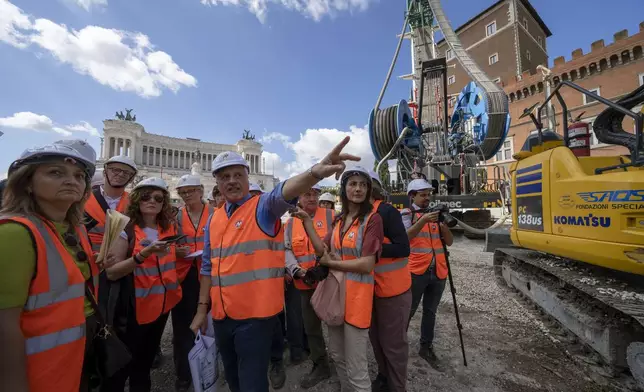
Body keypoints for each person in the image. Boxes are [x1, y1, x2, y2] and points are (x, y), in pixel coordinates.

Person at [190, 137, 360, 392]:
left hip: (255, 318)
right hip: (222, 316)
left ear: (247, 178)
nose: (232, 181)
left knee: (252, 383)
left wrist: (315, 171)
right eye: (225, 177)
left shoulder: (262, 207)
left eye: (238, 174)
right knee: (234, 378)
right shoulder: (214, 220)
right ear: (217, 182)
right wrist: (203, 310)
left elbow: (286, 190)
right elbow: (206, 268)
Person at [0, 140, 101, 392]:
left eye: (79, 176)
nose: (72, 181)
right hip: (38, 373)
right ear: (27, 183)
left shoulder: (74, 228)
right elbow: (4, 328)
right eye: (55, 173)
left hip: (73, 357)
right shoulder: (13, 232)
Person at [300, 165, 383, 392]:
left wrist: (332, 264)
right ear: (344, 189)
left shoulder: (372, 220)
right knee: (337, 354)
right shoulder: (338, 221)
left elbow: (367, 264)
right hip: (336, 297)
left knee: (357, 365)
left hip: (357, 300)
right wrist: (308, 222)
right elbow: (322, 250)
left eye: (363, 185)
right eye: (353, 184)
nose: (358, 189)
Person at [103, 177, 183, 392]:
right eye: (146, 196)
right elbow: (111, 272)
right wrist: (143, 255)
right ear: (137, 199)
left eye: (158, 198)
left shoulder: (168, 227)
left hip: (162, 306)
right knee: (123, 365)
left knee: (145, 363)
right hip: (133, 310)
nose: (152, 201)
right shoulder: (125, 229)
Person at [285, 184, 334, 388]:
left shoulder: (332, 216)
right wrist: (295, 270)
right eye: (307, 194)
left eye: (315, 194)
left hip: (330, 282)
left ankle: (343, 361)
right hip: (305, 283)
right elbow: (286, 249)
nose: (312, 197)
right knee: (312, 328)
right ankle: (320, 364)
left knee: (336, 323)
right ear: (299, 199)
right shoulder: (289, 223)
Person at [367, 171, 412, 392]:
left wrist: (373, 250)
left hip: (392, 291)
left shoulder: (385, 211)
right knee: (376, 339)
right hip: (369, 291)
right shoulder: (357, 214)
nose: (356, 189)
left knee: (393, 344)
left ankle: (396, 386)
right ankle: (384, 376)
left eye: (362, 184)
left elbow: (403, 248)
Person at [402, 179, 453, 370]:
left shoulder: (436, 216)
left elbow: (449, 242)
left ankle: (426, 347)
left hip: (438, 271)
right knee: (408, 310)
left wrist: (444, 226)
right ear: (412, 196)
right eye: (422, 194)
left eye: (428, 194)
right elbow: (404, 237)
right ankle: (398, 346)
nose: (427, 198)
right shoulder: (407, 214)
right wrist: (422, 220)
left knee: (430, 312)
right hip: (416, 272)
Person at [172, 175, 213, 391]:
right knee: (182, 327)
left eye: (190, 191)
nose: (187, 195)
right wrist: (175, 251)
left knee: (210, 323)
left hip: (208, 275)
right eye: (182, 192)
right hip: (184, 275)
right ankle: (184, 373)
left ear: (200, 190)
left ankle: (209, 366)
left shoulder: (215, 213)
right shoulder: (175, 216)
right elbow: (169, 242)